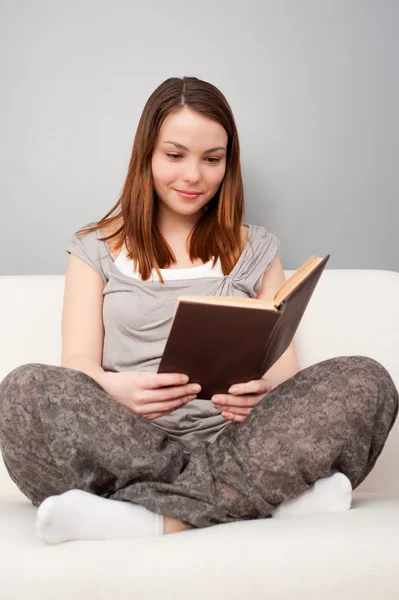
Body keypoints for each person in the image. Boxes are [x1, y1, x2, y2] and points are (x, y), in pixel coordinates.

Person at [0, 76, 398, 545]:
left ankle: (147, 519)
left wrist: (264, 392)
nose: (193, 176)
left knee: (367, 380)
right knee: (23, 390)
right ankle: (265, 504)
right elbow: (78, 363)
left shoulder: (257, 249)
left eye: (212, 159)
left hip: (241, 442)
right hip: (129, 442)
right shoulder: (95, 248)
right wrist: (119, 390)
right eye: (175, 156)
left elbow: (286, 372)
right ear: (145, 153)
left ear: (228, 163)